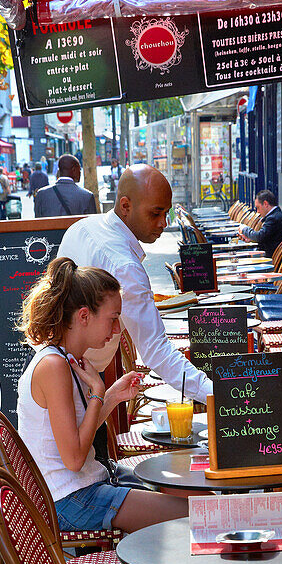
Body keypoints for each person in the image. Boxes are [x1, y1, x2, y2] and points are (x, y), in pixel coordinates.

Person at [17, 257, 189, 533]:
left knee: (188, 493)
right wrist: (97, 393)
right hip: (71, 500)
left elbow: (72, 435)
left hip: (86, 485)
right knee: (193, 514)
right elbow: (73, 459)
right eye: (112, 319)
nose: (117, 330)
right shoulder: (54, 366)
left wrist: (110, 397)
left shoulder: (65, 359)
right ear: (84, 316)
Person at [60, 164, 212, 400]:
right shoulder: (125, 267)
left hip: (59, 367)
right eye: (155, 213)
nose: (164, 222)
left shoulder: (81, 227)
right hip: (74, 384)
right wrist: (218, 396)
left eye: (167, 213)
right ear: (125, 206)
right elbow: (157, 351)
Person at [238, 189, 282, 258]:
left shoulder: (273, 218)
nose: (258, 211)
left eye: (258, 207)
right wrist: (250, 239)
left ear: (265, 204)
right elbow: (265, 237)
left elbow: (259, 236)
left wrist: (244, 229)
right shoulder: (275, 215)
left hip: (269, 257)